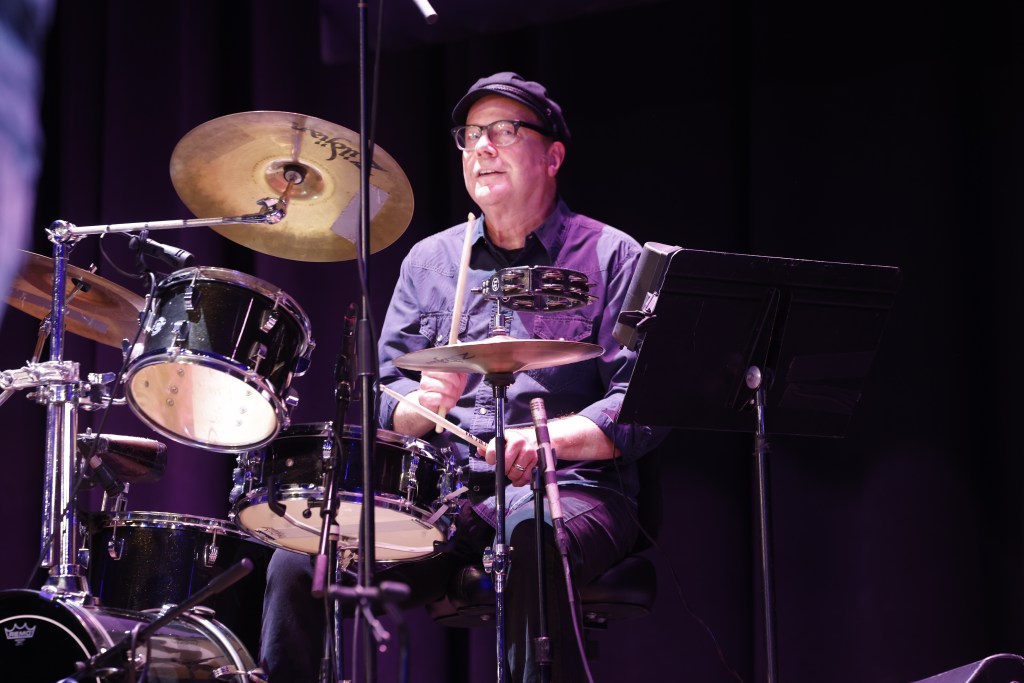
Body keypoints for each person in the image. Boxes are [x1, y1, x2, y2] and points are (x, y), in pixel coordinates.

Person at [260, 71, 667, 682]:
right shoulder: (431, 262)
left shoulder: (612, 257)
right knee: (301, 561)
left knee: (531, 540)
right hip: (446, 498)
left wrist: (547, 440)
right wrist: (419, 404)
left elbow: (640, 405)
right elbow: (385, 401)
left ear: (553, 156)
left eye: (505, 131)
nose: (482, 147)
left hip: (572, 488)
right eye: (471, 135)